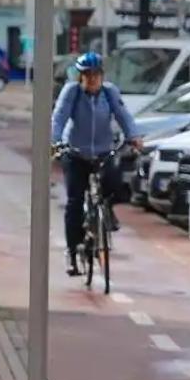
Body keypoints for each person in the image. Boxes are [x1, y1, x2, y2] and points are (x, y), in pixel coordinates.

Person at [51, 51, 142, 276]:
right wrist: (54, 142)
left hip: (103, 152)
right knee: (74, 203)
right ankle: (72, 253)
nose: (92, 80)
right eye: (87, 75)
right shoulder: (71, 93)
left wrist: (134, 136)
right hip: (76, 153)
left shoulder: (109, 93)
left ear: (102, 76)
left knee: (116, 186)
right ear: (80, 77)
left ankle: (106, 211)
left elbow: (123, 114)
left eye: (96, 75)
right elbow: (59, 117)